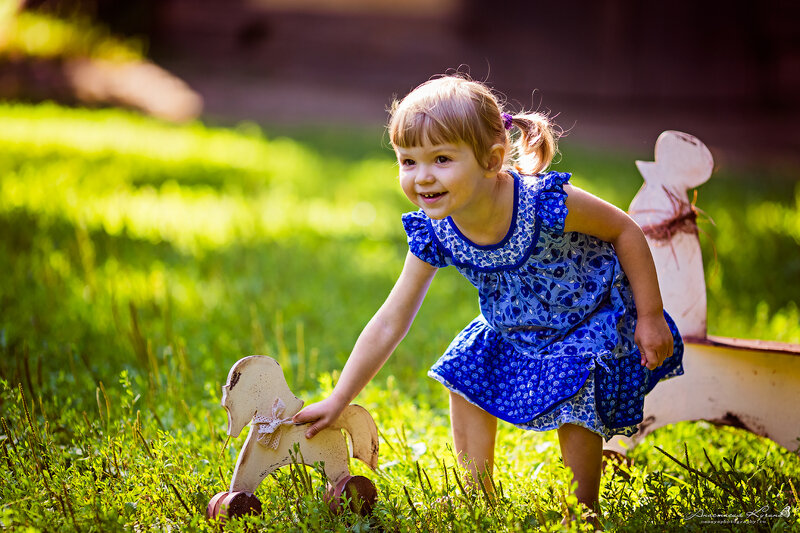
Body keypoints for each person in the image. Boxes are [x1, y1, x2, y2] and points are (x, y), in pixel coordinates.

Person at [292, 74, 683, 519]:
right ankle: (477, 493)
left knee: (578, 389)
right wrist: (339, 398)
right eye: (407, 161)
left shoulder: (542, 202)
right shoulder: (436, 228)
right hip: (512, 326)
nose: (422, 177)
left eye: (441, 159)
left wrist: (649, 316)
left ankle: (583, 510)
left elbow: (624, 230)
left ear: (492, 159)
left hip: (587, 316)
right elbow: (390, 320)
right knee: (464, 371)